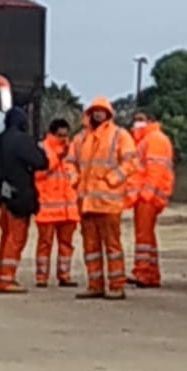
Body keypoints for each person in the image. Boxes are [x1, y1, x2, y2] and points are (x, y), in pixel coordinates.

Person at [68, 96, 139, 300]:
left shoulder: (119, 135)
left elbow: (130, 162)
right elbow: (70, 162)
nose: (98, 114)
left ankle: (117, 286)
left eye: (102, 111)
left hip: (109, 203)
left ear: (108, 114)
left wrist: (112, 179)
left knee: (112, 247)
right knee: (91, 248)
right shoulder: (80, 138)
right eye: (95, 111)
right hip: (86, 203)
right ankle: (95, 285)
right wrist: (74, 179)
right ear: (90, 114)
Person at [0, 107, 49, 293]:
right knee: (16, 238)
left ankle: (3, 275)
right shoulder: (22, 141)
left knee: (6, 237)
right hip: (20, 196)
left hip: (2, 197)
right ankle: (7, 279)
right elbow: (41, 162)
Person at [126, 109, 175, 288]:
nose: (136, 123)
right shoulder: (146, 139)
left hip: (148, 195)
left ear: (150, 120)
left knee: (144, 235)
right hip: (146, 194)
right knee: (146, 235)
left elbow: (155, 169)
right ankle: (150, 273)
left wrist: (146, 193)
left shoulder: (155, 139)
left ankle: (143, 272)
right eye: (135, 119)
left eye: (140, 119)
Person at [35, 118, 81, 288]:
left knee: (66, 245)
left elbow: (76, 173)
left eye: (66, 135)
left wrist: (75, 181)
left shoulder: (71, 150)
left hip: (68, 209)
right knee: (45, 244)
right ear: (52, 134)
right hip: (47, 208)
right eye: (60, 135)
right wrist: (56, 159)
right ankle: (41, 277)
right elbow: (37, 174)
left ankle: (64, 275)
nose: (63, 139)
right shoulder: (42, 149)